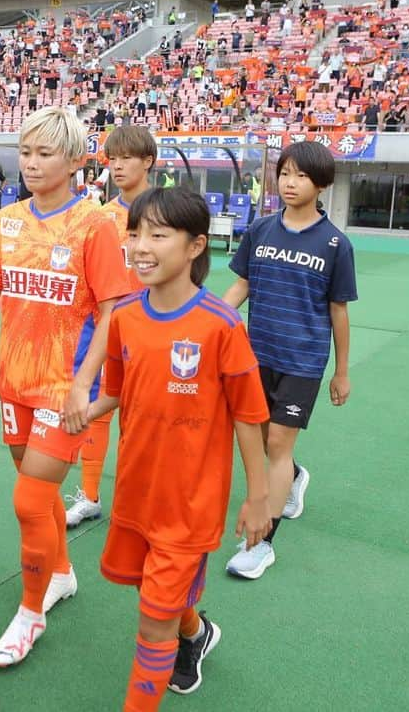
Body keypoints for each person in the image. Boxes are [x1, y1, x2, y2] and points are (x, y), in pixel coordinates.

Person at [0, 107, 131, 667]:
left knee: (28, 501)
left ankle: (30, 613)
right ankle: (61, 574)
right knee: (36, 497)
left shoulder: (94, 225)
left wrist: (84, 385)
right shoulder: (8, 219)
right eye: (28, 152)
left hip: (64, 388)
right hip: (11, 382)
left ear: (75, 160)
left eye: (46, 153)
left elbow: (113, 309)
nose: (33, 163)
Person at [87, 187, 271, 709]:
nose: (141, 246)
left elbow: (249, 416)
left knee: (152, 620)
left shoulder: (222, 324)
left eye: (158, 235)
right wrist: (84, 410)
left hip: (190, 505)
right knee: (150, 593)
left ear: (195, 246)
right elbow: (118, 393)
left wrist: (259, 497)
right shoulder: (124, 315)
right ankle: (197, 631)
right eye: (136, 233)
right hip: (137, 492)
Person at [221, 141, 357, 580]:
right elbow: (241, 286)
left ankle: (261, 544)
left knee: (276, 446)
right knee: (264, 444)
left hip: (302, 362)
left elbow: (339, 310)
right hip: (255, 357)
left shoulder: (336, 244)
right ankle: (294, 478)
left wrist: (341, 372)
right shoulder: (260, 230)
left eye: (300, 176)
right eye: (284, 173)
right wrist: (213, 323)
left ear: (320, 184)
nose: (289, 183)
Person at [65, 126, 154, 529]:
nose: (116, 166)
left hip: (153, 330)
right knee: (97, 411)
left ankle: (143, 496)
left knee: (144, 417)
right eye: (111, 158)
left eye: (126, 158)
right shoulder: (101, 217)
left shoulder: (169, 211)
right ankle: (90, 495)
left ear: (148, 161)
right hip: (104, 331)